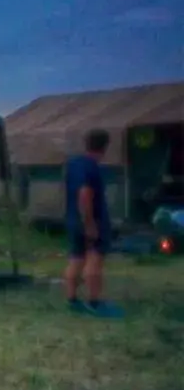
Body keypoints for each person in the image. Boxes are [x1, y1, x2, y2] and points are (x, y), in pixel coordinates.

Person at [64, 129, 121, 317]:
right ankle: (94, 303)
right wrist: (89, 223)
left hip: (73, 218)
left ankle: (72, 300)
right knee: (94, 260)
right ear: (104, 147)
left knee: (76, 258)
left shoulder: (73, 164)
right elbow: (85, 194)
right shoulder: (92, 167)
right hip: (92, 219)